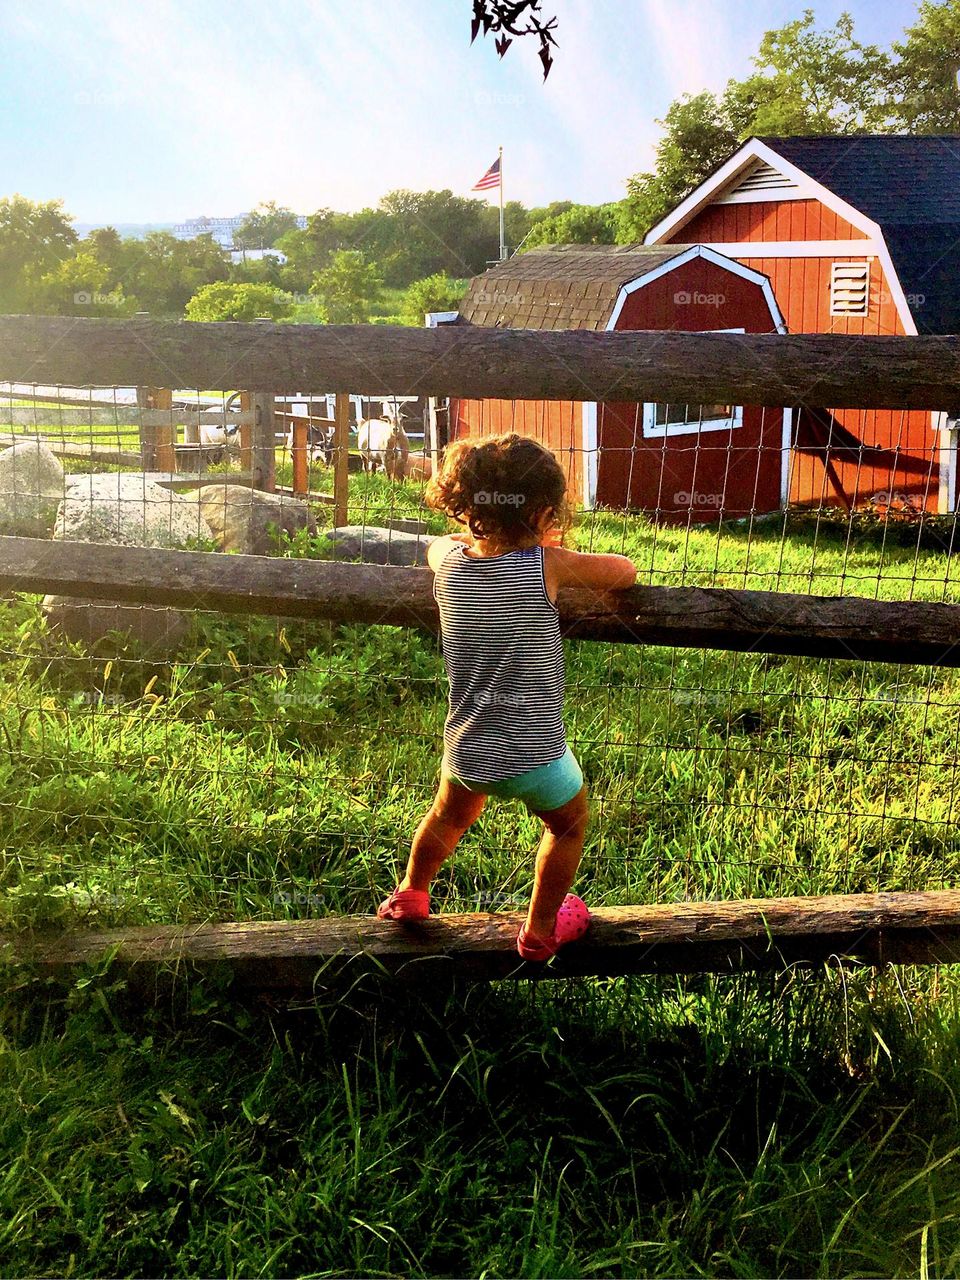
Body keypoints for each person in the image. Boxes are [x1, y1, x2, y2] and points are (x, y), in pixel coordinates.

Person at [377, 433, 637, 961]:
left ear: (466, 507)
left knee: (446, 819)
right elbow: (624, 573)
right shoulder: (548, 566)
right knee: (568, 826)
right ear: (544, 512)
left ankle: (410, 893)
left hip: (467, 752)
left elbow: (435, 546)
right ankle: (541, 928)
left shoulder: (450, 562)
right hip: (536, 753)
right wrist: (552, 547)